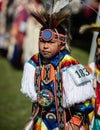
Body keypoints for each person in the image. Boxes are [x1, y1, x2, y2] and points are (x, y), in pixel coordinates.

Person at [21, 1, 95, 130]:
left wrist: (75, 122)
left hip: (67, 123)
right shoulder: (34, 62)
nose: (45, 46)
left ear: (61, 44)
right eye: (42, 41)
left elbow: (86, 99)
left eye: (50, 43)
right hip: (42, 121)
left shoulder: (71, 64)